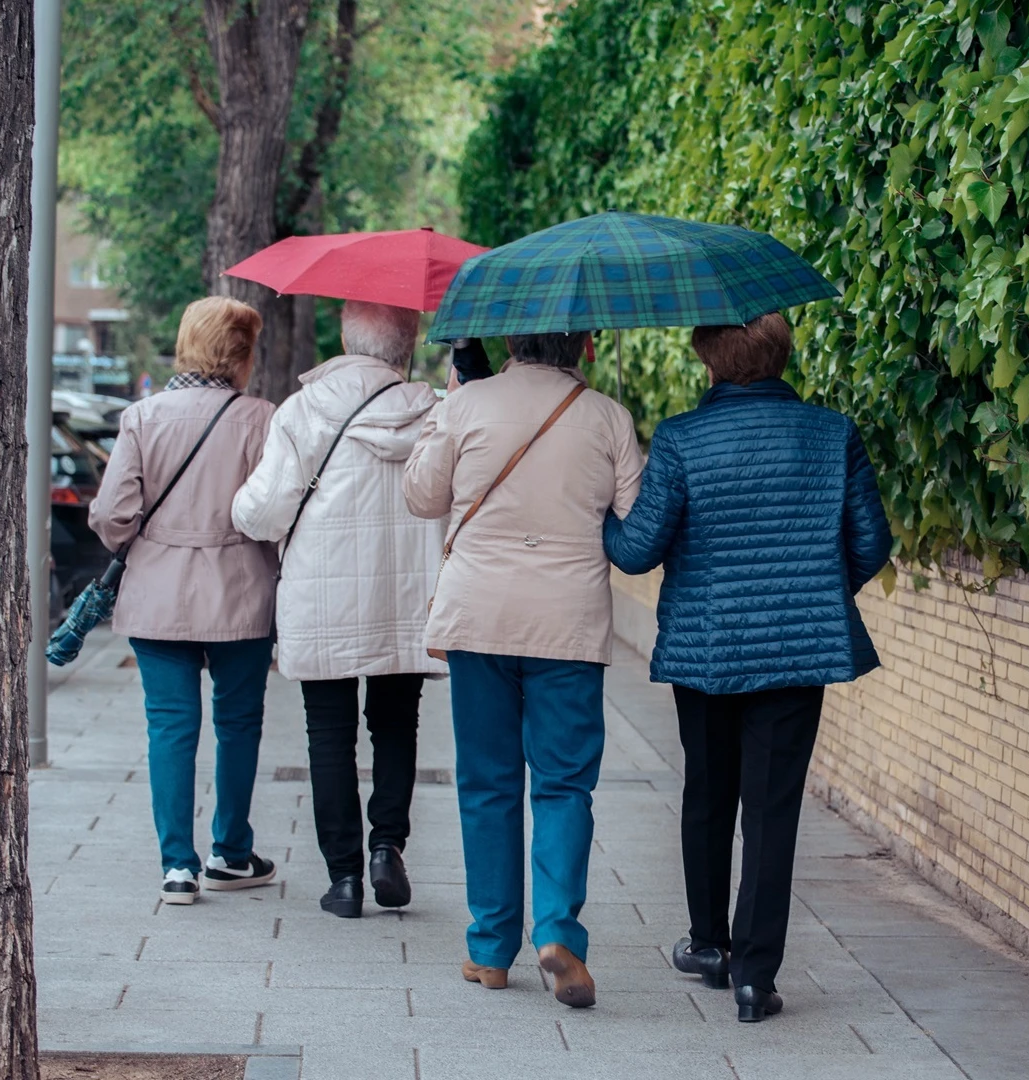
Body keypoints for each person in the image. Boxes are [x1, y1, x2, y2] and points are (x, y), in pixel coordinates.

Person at [603, 312, 892, 1022]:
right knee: (772, 810)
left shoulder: (681, 438)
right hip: (798, 651)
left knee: (708, 794)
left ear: (708, 355)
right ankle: (756, 979)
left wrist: (604, 515)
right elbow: (872, 542)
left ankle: (709, 944)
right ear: (782, 350)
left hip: (707, 650)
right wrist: (816, 592)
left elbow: (637, 551)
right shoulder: (833, 434)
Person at [403, 330, 644, 1009]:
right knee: (565, 784)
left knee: (487, 781)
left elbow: (422, 497)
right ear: (587, 345)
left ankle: (489, 948)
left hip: (480, 617)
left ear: (512, 337)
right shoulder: (606, 416)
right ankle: (558, 929)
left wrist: (443, 410)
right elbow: (636, 524)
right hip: (567, 621)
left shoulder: (468, 405)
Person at [231, 300, 447, 920]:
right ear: (405, 348)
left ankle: (344, 878)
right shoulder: (431, 413)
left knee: (328, 735)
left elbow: (264, 511)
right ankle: (387, 846)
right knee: (396, 723)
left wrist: (241, 508)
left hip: (322, 596)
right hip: (406, 596)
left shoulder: (303, 411)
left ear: (346, 341)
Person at [88, 296, 281, 906]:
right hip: (242, 591)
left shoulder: (143, 417)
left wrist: (146, 544)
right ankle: (230, 850)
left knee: (170, 726)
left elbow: (112, 514)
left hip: (159, 595)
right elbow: (274, 510)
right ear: (242, 354)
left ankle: (177, 866)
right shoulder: (261, 419)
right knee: (239, 722)